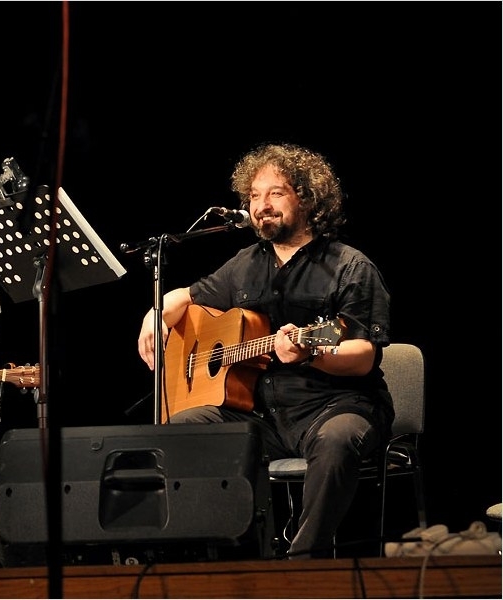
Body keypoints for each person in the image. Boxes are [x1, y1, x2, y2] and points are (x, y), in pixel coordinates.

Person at [137, 142, 394, 559]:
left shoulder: (350, 266)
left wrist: (311, 352)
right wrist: (154, 315)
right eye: (254, 196)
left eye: (276, 193)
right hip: (264, 418)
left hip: (335, 406)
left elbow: (364, 355)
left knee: (336, 441)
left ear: (307, 199)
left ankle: (303, 565)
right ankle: (216, 559)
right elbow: (187, 295)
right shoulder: (245, 263)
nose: (262, 206)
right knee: (182, 428)